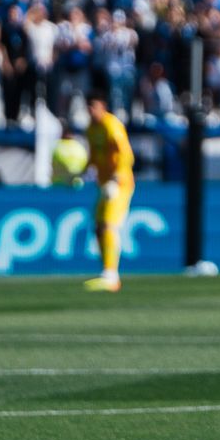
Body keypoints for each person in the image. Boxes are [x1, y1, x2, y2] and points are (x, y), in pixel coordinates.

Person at [83, 83, 136, 292]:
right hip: (104, 183)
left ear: (102, 106)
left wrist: (115, 178)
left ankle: (111, 276)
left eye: (93, 106)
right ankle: (107, 271)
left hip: (120, 183)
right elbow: (94, 156)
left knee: (108, 225)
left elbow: (126, 154)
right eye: (88, 106)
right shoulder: (91, 129)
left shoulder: (111, 125)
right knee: (98, 228)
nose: (90, 110)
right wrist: (83, 172)